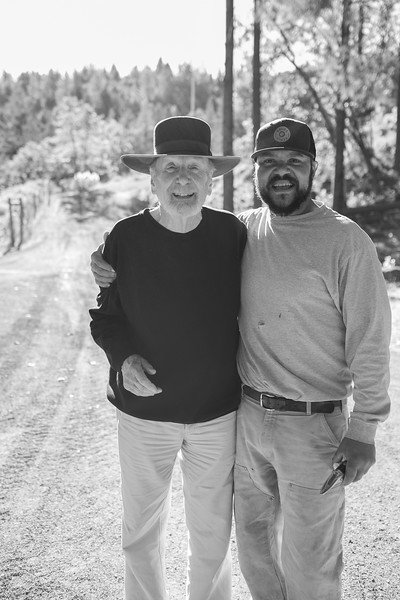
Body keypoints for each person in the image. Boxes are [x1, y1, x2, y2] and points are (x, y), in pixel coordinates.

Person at [91, 117, 391, 600]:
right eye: (269, 162)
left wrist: (365, 428)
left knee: (303, 564)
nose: (282, 172)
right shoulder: (238, 229)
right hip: (241, 416)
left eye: (294, 162)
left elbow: (372, 339)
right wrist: (106, 268)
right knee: (253, 553)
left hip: (288, 422)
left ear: (314, 169)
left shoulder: (328, 239)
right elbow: (122, 295)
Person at [89, 115, 247, 600]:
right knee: (140, 532)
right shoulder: (125, 238)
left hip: (216, 412)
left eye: (194, 169)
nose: (183, 180)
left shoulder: (234, 236)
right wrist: (123, 359)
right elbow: (105, 317)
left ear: (211, 178)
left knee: (213, 534)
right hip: (144, 416)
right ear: (152, 177)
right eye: (171, 168)